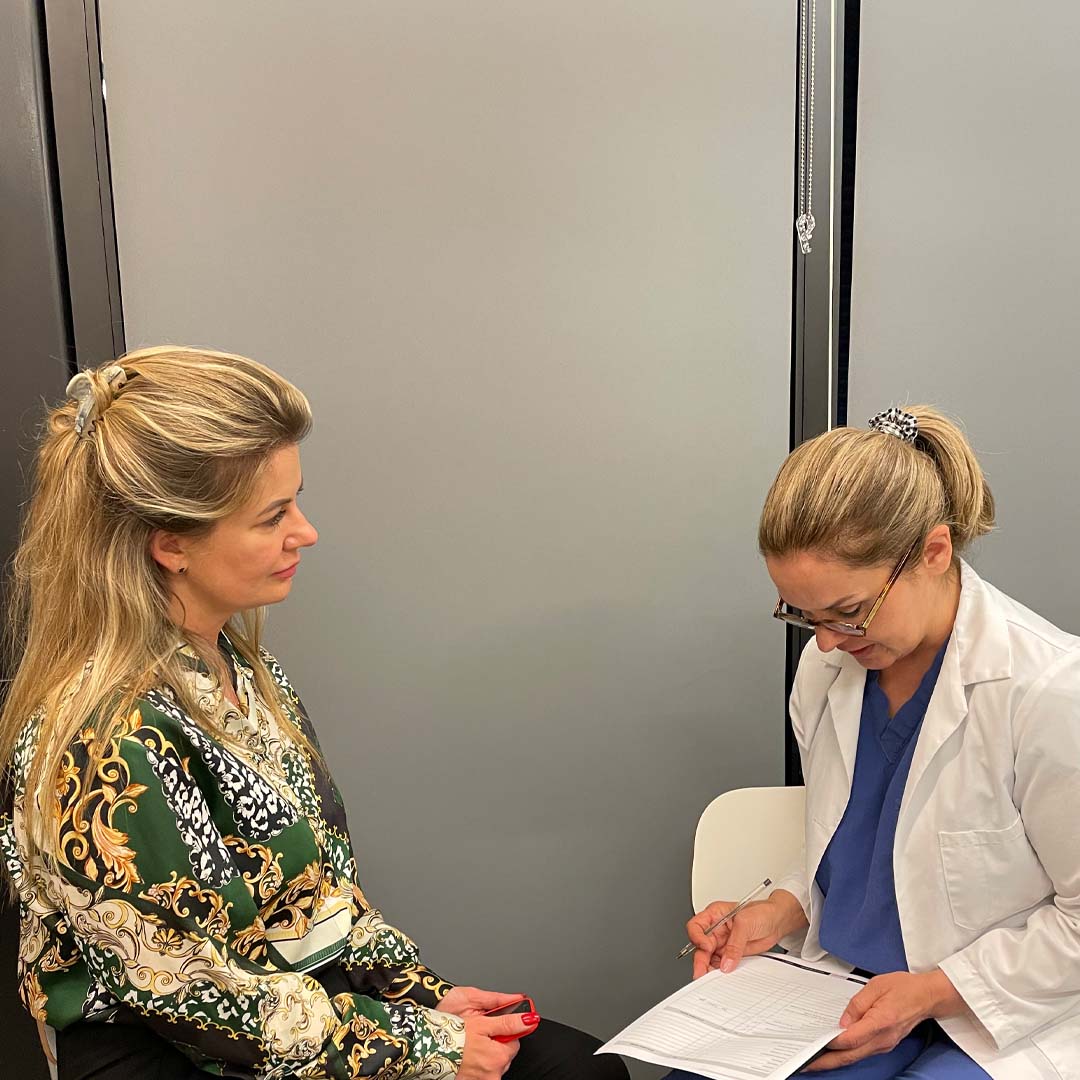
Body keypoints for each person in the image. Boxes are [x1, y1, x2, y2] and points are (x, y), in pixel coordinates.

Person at [0, 347, 629, 1080]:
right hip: (174, 1049)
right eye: (273, 517)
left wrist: (419, 995)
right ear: (170, 543)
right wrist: (421, 1047)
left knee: (576, 1067)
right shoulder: (102, 739)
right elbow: (196, 1001)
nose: (306, 532)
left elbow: (319, 896)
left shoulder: (241, 672)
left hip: (290, 1009)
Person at [680, 406, 1080, 1079]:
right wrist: (778, 910)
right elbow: (859, 848)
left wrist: (929, 993)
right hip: (845, 992)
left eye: (847, 612)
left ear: (934, 552)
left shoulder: (1048, 692)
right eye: (802, 616)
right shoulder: (830, 670)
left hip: (1003, 1015)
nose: (828, 642)